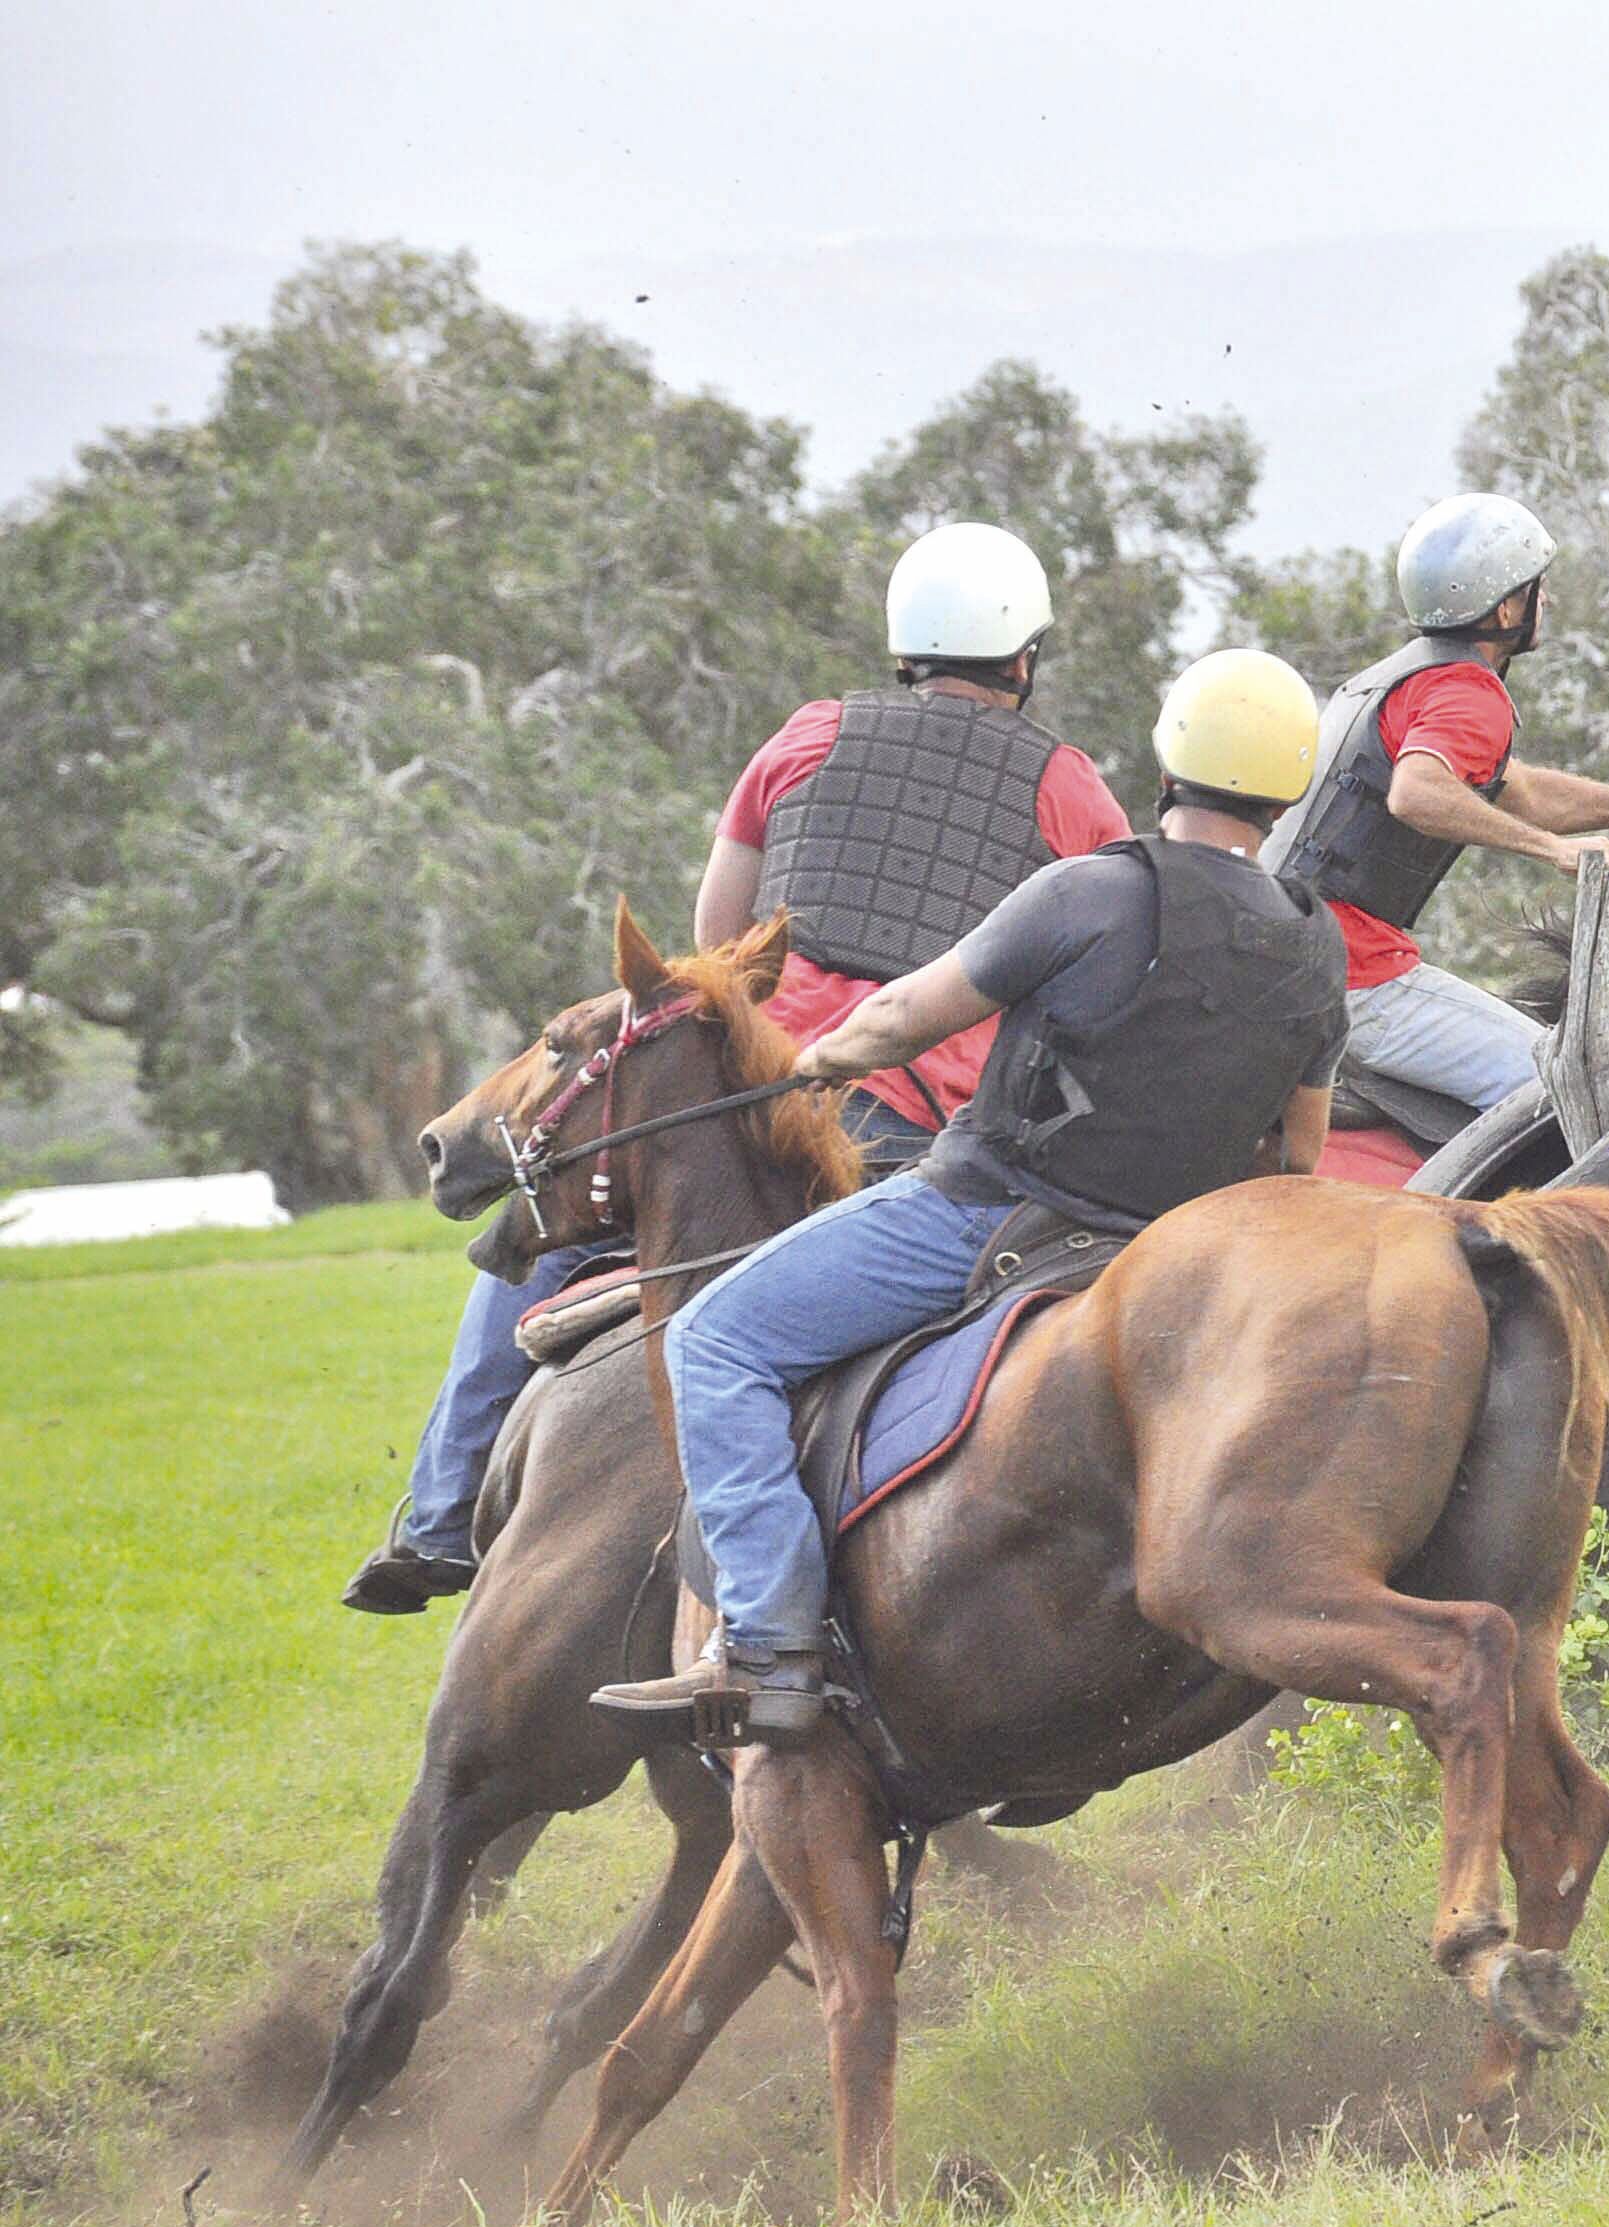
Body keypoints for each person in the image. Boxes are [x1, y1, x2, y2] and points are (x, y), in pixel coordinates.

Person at [340, 522, 1130, 1614]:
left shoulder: (808, 736)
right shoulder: (1070, 788)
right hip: (912, 1132)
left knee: (532, 1248)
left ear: (904, 649)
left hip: (751, 1100)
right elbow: (1094, 967)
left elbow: (715, 947)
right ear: (1024, 659)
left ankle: (438, 1522)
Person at [591, 650, 1349, 1742]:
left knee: (714, 1340)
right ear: (1288, 787)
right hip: (1168, 1256)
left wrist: (815, 1065)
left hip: (990, 1213)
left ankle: (768, 1643)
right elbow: (1299, 1153)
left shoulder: (1091, 889)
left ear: (1172, 758)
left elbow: (905, 1021)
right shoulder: (1314, 941)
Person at [1262, 493, 1609, 1111]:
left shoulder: (1402, 679)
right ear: (1507, 606)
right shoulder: (1469, 691)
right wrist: (1554, 851)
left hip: (1293, 955)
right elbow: (1415, 792)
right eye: (1537, 589)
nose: (1548, 601)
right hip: (1352, 974)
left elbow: (1520, 790)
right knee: (1567, 1091)